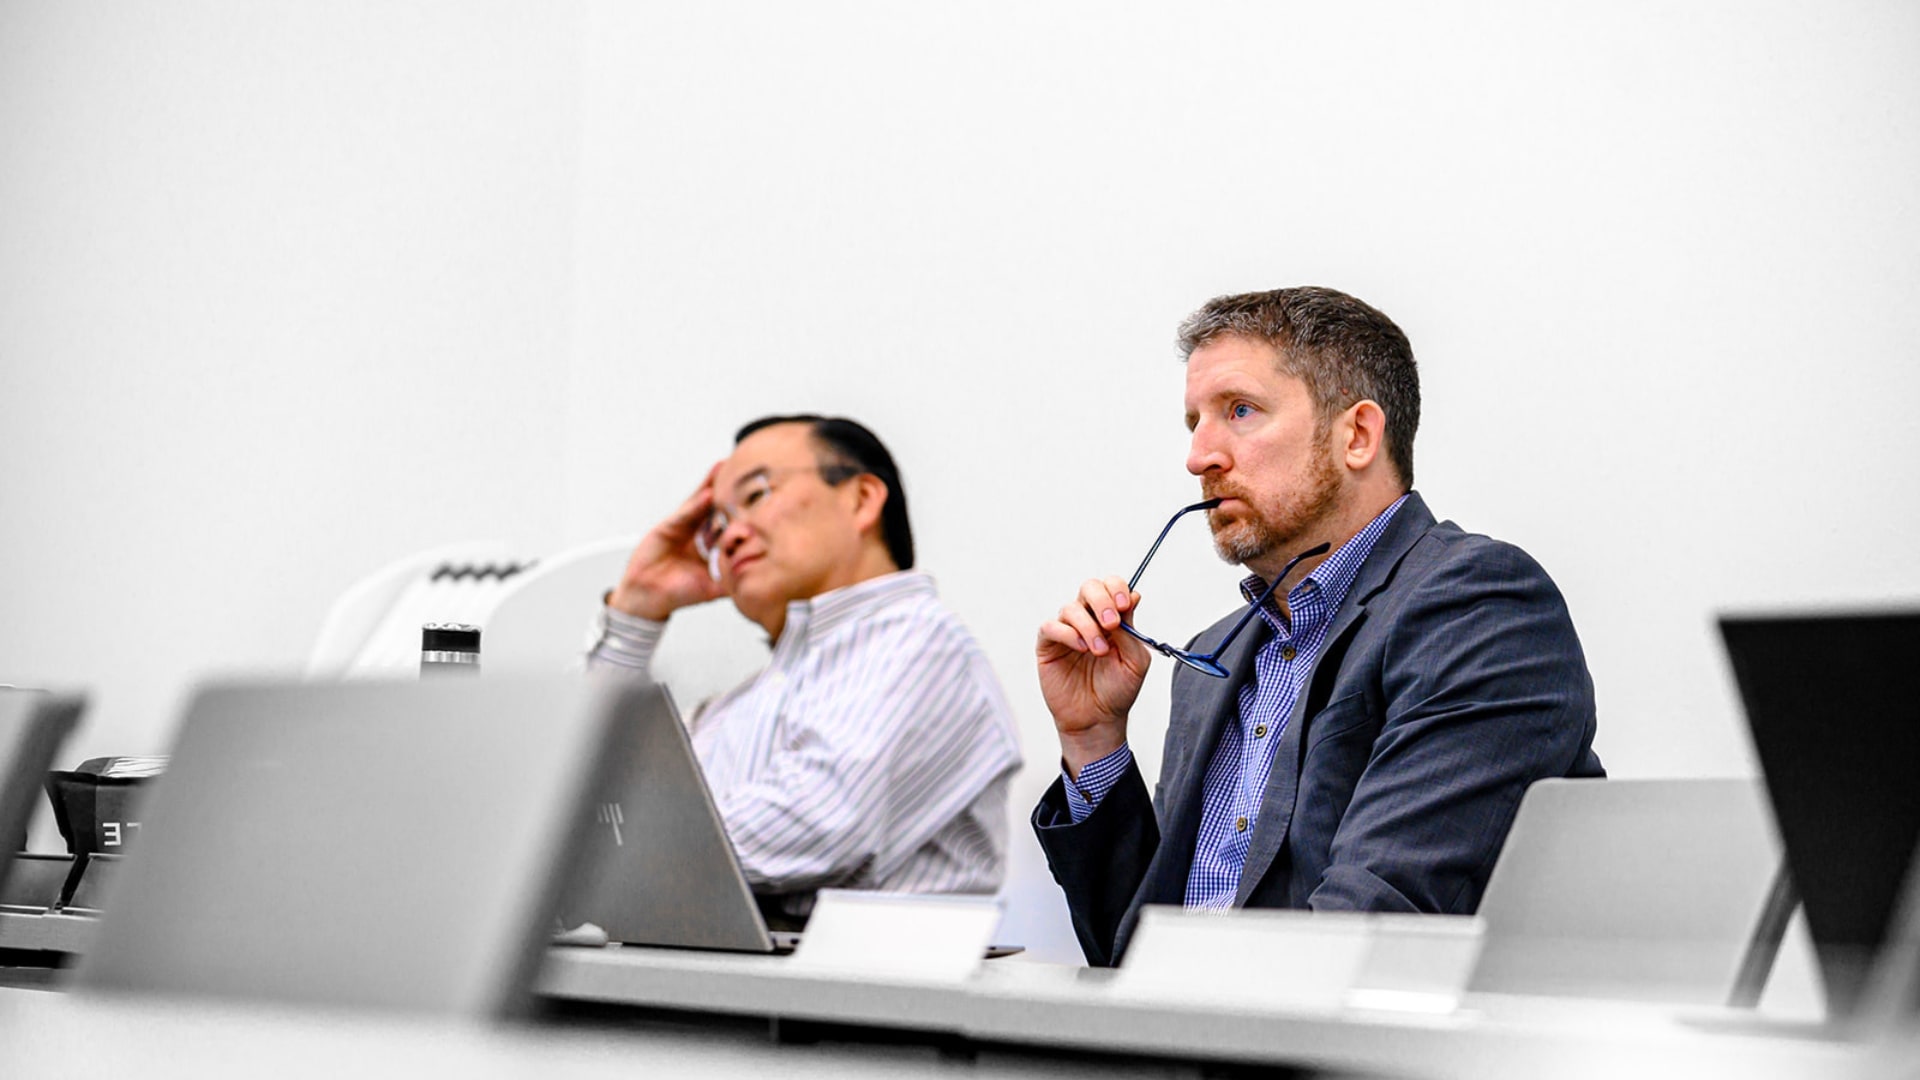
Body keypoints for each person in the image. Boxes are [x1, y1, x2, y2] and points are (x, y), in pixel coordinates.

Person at [1033, 287, 1603, 966]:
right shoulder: (1214, 655)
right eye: (1194, 423)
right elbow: (1129, 955)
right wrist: (1093, 740)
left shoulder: (1478, 605)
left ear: (1356, 436)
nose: (1199, 456)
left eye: (1239, 411)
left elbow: (1375, 926)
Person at [588, 414, 1022, 928]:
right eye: (718, 524)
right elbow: (581, 789)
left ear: (861, 499)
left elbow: (812, 823)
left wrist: (593, 855)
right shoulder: (733, 707)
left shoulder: (919, 642)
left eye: (756, 495)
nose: (729, 538)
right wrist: (638, 607)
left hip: (856, 1002)